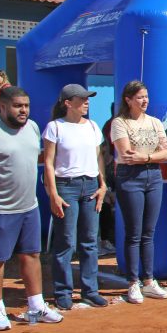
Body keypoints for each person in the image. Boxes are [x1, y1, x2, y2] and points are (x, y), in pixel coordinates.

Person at [0, 86, 64, 330]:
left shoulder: (32, 127)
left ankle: (36, 305)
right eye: (18, 106)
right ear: (2, 106)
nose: (23, 110)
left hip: (28, 206)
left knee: (32, 255)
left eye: (26, 106)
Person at [42, 83, 108, 309]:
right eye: (82, 98)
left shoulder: (93, 126)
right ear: (68, 103)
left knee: (90, 242)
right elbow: (48, 164)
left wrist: (102, 185)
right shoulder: (54, 127)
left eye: (87, 98)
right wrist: (53, 194)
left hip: (90, 187)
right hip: (66, 187)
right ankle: (63, 292)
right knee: (66, 242)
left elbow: (99, 158)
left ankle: (90, 291)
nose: (87, 102)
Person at [112, 80, 167, 303]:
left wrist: (146, 157)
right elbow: (127, 154)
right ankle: (133, 282)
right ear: (128, 100)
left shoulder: (155, 122)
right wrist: (152, 154)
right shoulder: (120, 123)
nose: (145, 100)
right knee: (134, 233)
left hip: (153, 175)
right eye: (139, 97)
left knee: (149, 231)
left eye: (146, 96)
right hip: (130, 178)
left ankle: (148, 281)